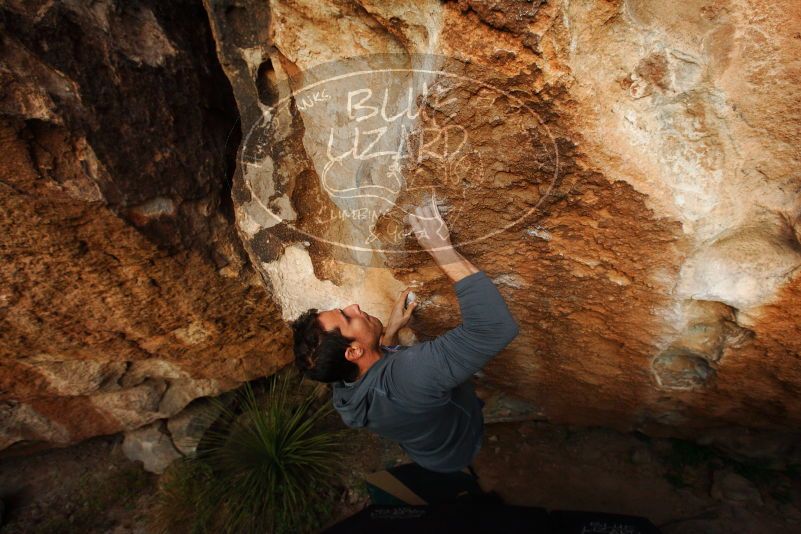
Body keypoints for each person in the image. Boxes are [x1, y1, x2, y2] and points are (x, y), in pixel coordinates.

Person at [291, 202, 519, 473]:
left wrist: (389, 333)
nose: (354, 307)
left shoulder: (346, 395)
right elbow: (494, 328)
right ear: (353, 352)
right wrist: (441, 249)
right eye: (347, 317)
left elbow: (376, 377)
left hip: (428, 453)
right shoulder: (409, 374)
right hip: (460, 443)